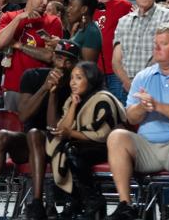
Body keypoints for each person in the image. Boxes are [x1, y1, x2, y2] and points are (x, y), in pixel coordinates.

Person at [0, 40, 80, 220]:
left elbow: (53, 127)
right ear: (53, 58)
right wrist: (46, 88)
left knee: (35, 134)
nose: (62, 64)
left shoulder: (77, 84)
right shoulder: (33, 76)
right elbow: (22, 116)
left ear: (75, 65)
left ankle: (37, 204)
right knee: (3, 136)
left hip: (59, 147)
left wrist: (54, 94)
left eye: (68, 61)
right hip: (29, 144)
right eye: (59, 58)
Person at [106, 23, 169, 220]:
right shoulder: (144, 76)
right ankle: (126, 205)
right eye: (155, 43)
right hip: (148, 149)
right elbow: (130, 117)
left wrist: (158, 106)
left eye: (163, 44)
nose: (156, 48)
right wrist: (142, 107)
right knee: (117, 136)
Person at [46, 60, 126, 219]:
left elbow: (102, 135)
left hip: (109, 146)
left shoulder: (103, 99)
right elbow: (63, 127)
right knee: (61, 146)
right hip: (84, 144)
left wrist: (70, 134)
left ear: (90, 79)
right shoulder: (72, 99)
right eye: (72, 78)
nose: (73, 82)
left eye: (78, 78)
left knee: (71, 150)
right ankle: (75, 201)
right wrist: (74, 107)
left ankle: (92, 199)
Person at [0, 0, 64, 111]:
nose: (45, 2)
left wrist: (19, 45)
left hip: (40, 88)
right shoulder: (10, 17)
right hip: (13, 87)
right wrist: (20, 18)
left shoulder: (53, 21)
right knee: (12, 130)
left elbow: (49, 56)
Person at [112, 0, 169, 96]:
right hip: (129, 90)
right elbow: (116, 61)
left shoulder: (168, 16)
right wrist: (128, 84)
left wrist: (143, 83)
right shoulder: (123, 21)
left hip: (159, 86)